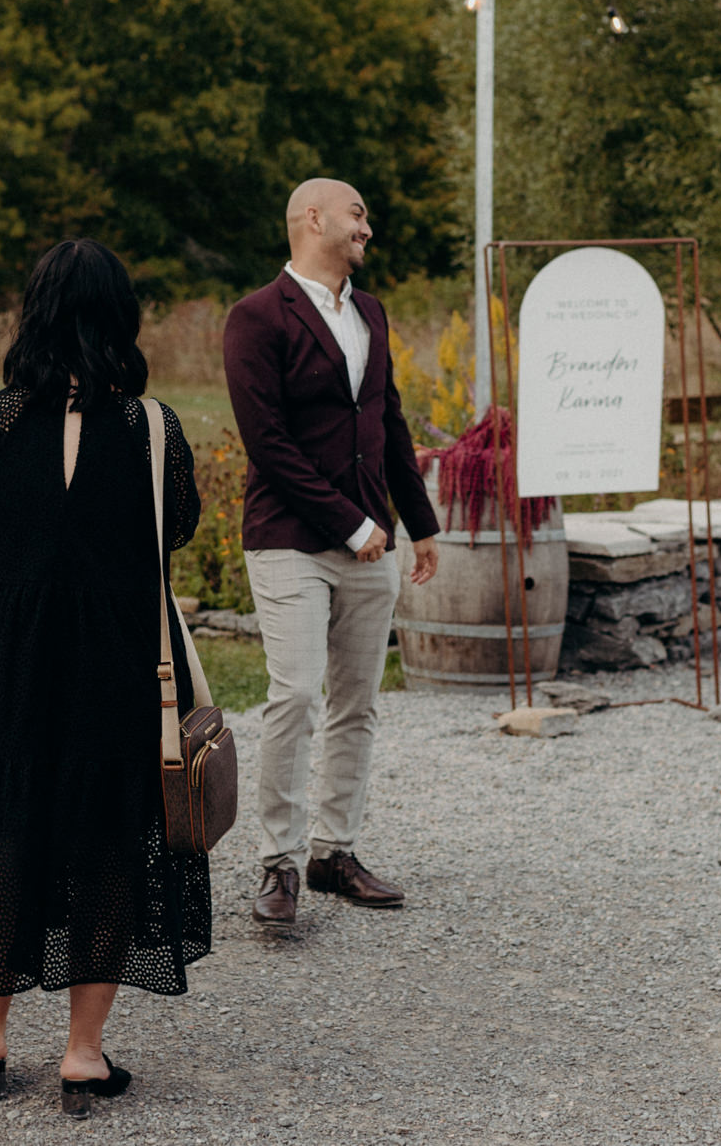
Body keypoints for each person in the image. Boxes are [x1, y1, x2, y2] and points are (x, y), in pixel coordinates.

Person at [0, 239, 208, 1118]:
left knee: (5, 822)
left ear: (36, 312)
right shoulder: (153, 428)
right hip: (117, 655)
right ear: (121, 318)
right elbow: (172, 535)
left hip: (16, 659)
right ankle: (84, 1054)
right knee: (107, 832)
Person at [222, 177, 441, 926]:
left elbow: (389, 422)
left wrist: (421, 520)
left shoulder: (370, 312)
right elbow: (268, 445)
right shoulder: (255, 318)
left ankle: (333, 852)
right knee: (296, 694)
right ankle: (278, 863)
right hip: (291, 539)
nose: (367, 229)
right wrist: (353, 525)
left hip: (373, 541)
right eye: (357, 215)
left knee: (358, 702)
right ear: (311, 218)